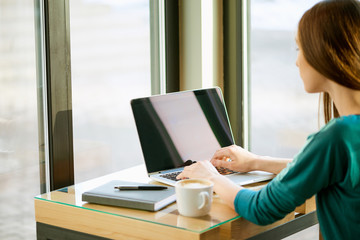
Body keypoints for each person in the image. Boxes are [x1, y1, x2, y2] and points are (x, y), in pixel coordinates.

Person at [177, 0, 360, 239]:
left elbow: (262, 208)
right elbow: (326, 168)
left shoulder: (337, 137)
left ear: (325, 51)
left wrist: (210, 177)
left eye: (299, 49)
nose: (297, 61)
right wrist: (256, 162)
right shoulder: (347, 137)